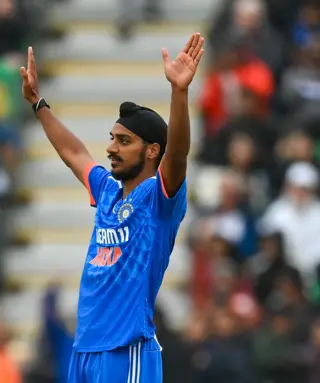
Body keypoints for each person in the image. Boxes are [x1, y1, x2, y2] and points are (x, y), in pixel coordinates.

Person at [19, 33, 205, 383]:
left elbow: (177, 153)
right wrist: (38, 104)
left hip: (126, 350)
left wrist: (179, 92)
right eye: (111, 138)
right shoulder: (107, 191)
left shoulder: (157, 199)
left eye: (123, 141)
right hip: (85, 349)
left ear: (151, 151)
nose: (110, 148)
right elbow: (74, 153)